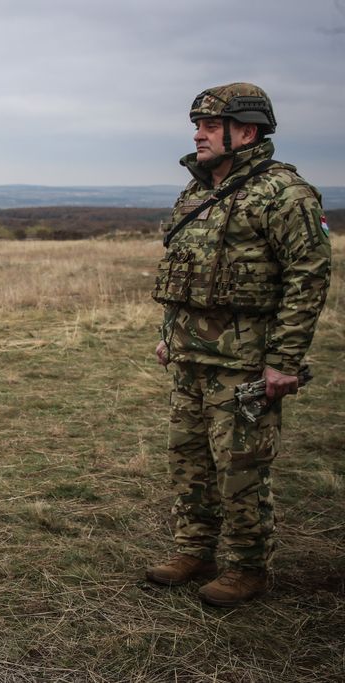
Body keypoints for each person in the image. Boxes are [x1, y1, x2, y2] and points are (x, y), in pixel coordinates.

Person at [148, 84, 331, 607]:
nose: (197, 134)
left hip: (246, 362)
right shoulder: (196, 192)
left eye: (209, 125)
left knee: (241, 468)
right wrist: (169, 336)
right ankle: (194, 550)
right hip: (190, 357)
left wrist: (285, 361)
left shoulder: (285, 194)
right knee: (189, 460)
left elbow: (308, 276)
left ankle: (248, 567)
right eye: (198, 125)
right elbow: (181, 274)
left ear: (245, 132)